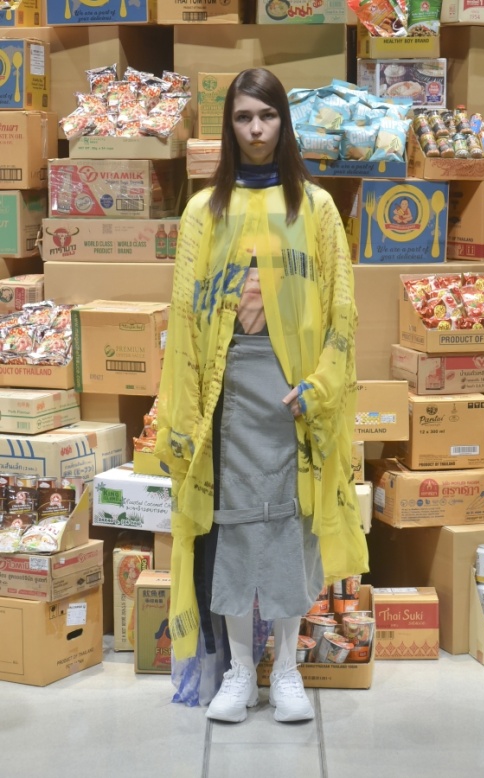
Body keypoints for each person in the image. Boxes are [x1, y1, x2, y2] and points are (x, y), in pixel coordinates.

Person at [155, 68, 369, 724]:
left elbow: (341, 309)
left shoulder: (315, 209)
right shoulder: (204, 212)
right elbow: (184, 316)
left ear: (284, 122)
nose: (255, 129)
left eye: (267, 116)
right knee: (232, 528)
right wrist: (190, 405)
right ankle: (240, 673)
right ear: (229, 125)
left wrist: (318, 385)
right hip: (224, 393)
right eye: (244, 117)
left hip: (291, 393)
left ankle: (287, 673)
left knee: (289, 528)